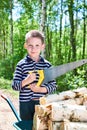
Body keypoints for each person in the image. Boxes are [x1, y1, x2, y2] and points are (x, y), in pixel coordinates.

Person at [12, 30, 57, 122]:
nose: (33, 49)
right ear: (25, 46)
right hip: (25, 105)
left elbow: (53, 86)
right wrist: (26, 81)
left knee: (42, 126)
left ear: (42, 46)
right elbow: (14, 86)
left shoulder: (47, 65)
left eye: (37, 45)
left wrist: (40, 90)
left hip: (42, 104)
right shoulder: (21, 65)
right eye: (30, 45)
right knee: (27, 126)